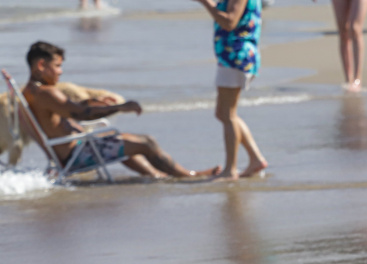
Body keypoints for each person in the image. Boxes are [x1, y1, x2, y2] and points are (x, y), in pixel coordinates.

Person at [18, 41, 220, 179]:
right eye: (57, 66)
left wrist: (94, 101)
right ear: (41, 65)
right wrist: (120, 107)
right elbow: (80, 114)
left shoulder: (29, 93)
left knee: (124, 139)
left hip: (71, 152)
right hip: (77, 156)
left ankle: (157, 176)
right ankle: (188, 176)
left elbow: (74, 109)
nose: (61, 72)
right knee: (147, 142)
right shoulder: (46, 93)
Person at [189, 0, 268, 180]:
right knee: (223, 113)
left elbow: (230, 21)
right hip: (232, 55)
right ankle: (255, 159)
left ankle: (230, 169)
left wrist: (206, 1)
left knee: (228, 114)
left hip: (237, 55)